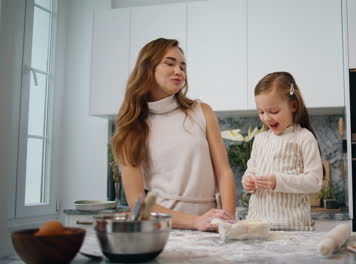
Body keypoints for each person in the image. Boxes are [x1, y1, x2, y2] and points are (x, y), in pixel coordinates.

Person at [112, 38, 236, 231]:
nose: (179, 71)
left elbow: (224, 172)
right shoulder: (131, 126)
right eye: (170, 63)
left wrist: (227, 220)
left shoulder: (202, 111)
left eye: (182, 67)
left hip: (212, 227)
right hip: (165, 228)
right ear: (147, 67)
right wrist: (194, 222)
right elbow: (138, 201)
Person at [241, 71, 323, 230]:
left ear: (293, 105)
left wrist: (278, 182)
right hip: (259, 227)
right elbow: (251, 170)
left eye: (273, 111)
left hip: (294, 228)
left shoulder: (304, 138)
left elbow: (315, 182)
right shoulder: (260, 140)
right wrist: (248, 180)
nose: (266, 118)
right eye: (261, 112)